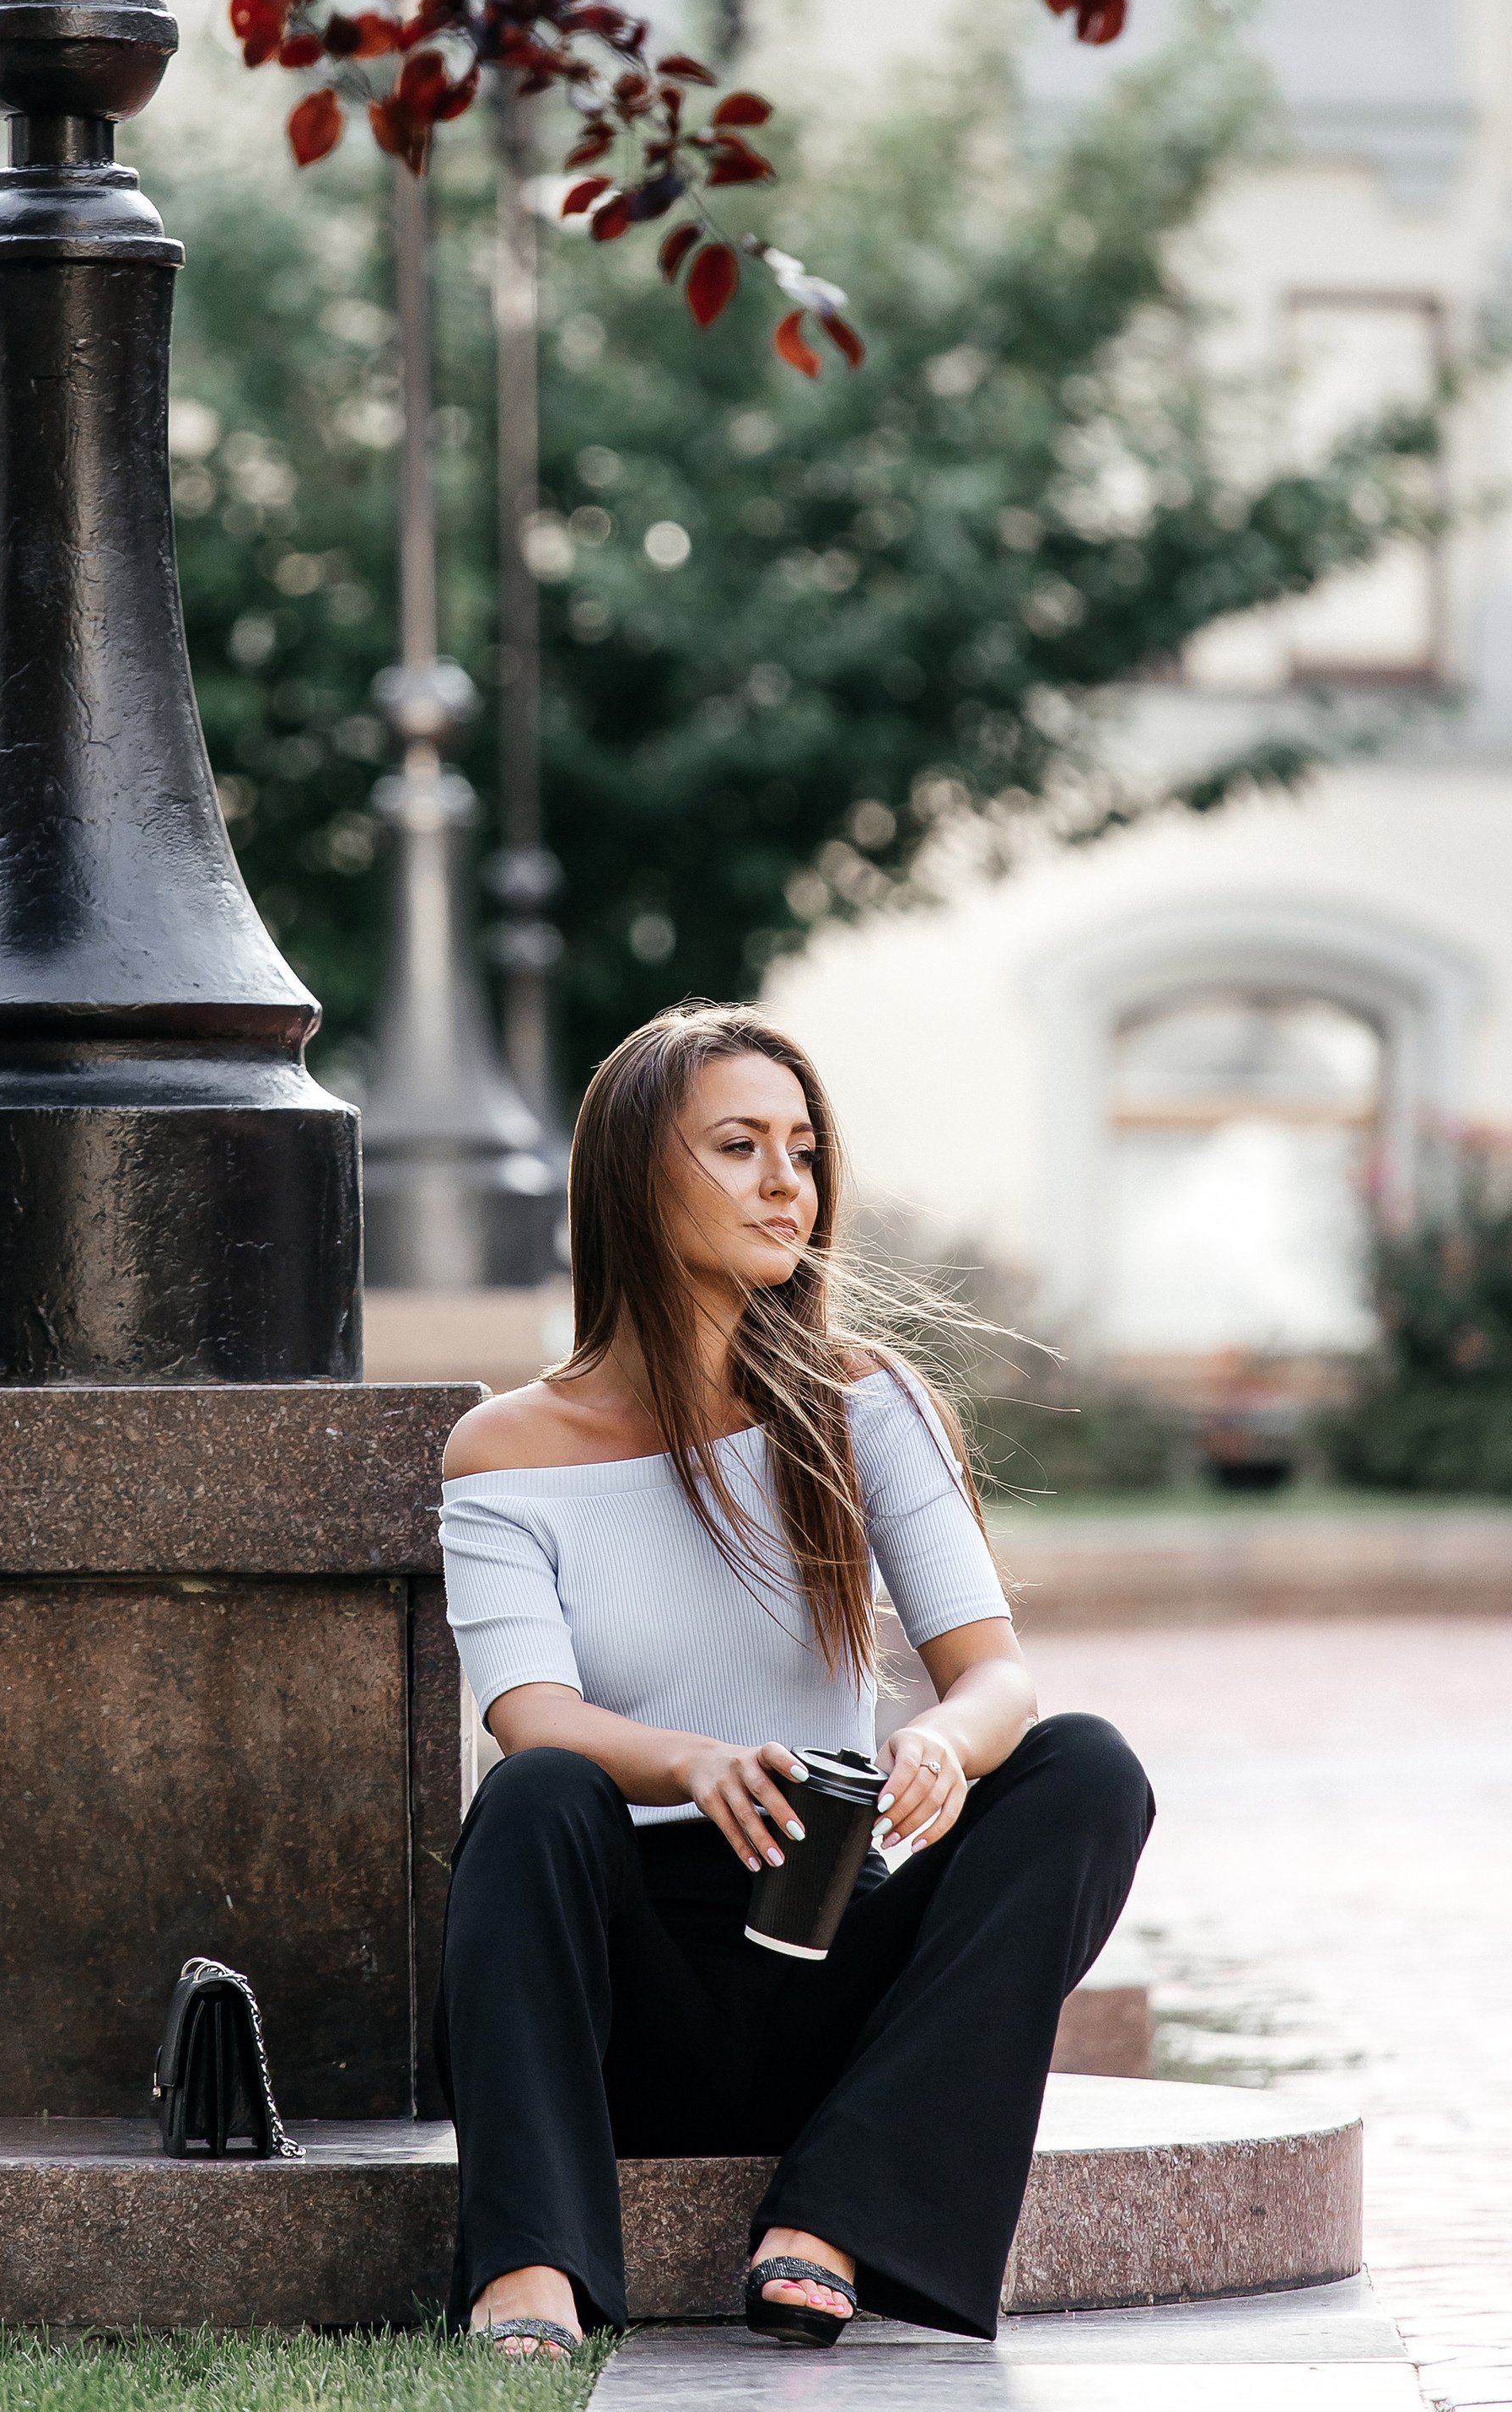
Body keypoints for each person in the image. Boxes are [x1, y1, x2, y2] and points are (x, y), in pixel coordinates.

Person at [434, 1004, 1154, 2364]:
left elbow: (994, 1674)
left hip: (824, 1946)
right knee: (534, 1797)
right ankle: (528, 2272)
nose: (788, 1185)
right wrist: (693, 1763)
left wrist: (943, 1742)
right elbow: (528, 1711)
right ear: (638, 1178)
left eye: (804, 1151)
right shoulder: (505, 1449)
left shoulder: (871, 1403)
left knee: (1088, 1768)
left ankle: (833, 2225)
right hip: (622, 1988)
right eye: (740, 1146)